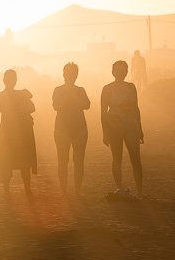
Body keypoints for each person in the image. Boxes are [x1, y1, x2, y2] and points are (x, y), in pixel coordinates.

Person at [100, 60, 144, 197]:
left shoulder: (131, 87)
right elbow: (103, 112)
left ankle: (140, 190)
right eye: (118, 70)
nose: (121, 72)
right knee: (117, 158)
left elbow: (136, 108)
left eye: (124, 70)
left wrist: (140, 128)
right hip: (114, 126)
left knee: (135, 158)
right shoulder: (107, 88)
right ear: (113, 72)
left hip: (131, 125)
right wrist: (105, 132)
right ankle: (119, 188)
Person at [0, 69, 37, 194]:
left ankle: (25, 189)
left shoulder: (13, 94)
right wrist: (22, 101)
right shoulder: (3, 95)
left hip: (18, 131)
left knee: (21, 160)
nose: (11, 82)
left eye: (13, 79)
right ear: (4, 80)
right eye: (9, 79)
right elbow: (8, 108)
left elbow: (31, 106)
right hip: (11, 131)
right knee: (8, 159)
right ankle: (10, 189)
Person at [52, 62, 91, 194]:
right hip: (62, 129)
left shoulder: (80, 90)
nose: (71, 76)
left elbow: (87, 105)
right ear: (63, 74)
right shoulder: (58, 90)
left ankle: (77, 190)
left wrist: (72, 94)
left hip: (80, 128)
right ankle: (63, 190)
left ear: (77, 75)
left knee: (79, 161)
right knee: (62, 161)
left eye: (74, 73)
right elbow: (57, 107)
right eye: (69, 73)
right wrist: (68, 94)